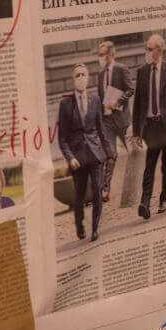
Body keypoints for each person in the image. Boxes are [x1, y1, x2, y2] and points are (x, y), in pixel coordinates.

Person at [132, 34, 166, 219]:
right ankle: (144, 203)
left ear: (159, 51)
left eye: (149, 49)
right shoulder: (142, 72)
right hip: (151, 127)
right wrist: (136, 132)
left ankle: (163, 198)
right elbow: (137, 103)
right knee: (149, 165)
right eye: (146, 48)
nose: (146, 52)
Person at [56, 64, 107, 242]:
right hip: (78, 158)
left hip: (95, 154)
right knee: (79, 194)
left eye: (83, 75)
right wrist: (70, 158)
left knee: (98, 190)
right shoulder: (65, 104)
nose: (81, 78)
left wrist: (108, 151)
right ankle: (79, 225)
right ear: (73, 79)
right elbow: (62, 138)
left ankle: (95, 228)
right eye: (77, 75)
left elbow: (101, 128)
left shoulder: (95, 99)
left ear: (88, 77)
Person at [95, 41, 134, 203]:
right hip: (107, 122)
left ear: (110, 55)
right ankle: (106, 189)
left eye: (102, 55)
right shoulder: (100, 75)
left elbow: (130, 89)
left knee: (134, 152)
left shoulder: (121, 69)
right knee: (110, 155)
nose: (99, 58)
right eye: (99, 55)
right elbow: (100, 97)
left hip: (122, 120)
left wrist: (117, 101)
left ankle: (136, 184)